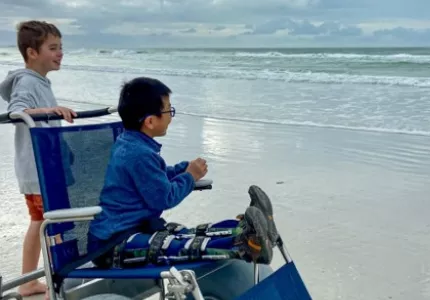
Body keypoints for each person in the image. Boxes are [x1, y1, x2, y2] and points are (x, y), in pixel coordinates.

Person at [87, 77, 280, 269]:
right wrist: (189, 177)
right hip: (113, 244)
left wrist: (182, 169)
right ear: (151, 121)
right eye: (168, 110)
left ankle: (249, 228)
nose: (171, 115)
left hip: (134, 229)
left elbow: (155, 178)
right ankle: (248, 244)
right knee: (179, 245)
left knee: (188, 233)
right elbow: (164, 197)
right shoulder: (139, 154)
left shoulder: (131, 144)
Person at [0, 20, 76, 297]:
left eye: (60, 47)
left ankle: (28, 281)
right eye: (53, 48)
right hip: (39, 171)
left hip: (41, 170)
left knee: (39, 222)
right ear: (32, 52)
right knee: (54, 224)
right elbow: (17, 111)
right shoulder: (27, 82)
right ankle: (59, 283)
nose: (60, 53)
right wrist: (50, 110)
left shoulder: (40, 82)